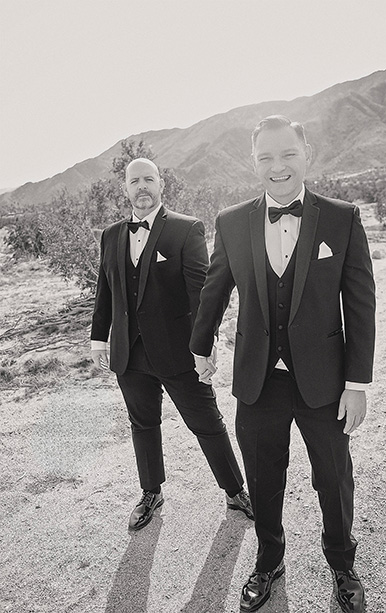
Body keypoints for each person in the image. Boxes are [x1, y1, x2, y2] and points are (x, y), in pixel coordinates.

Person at [189, 115, 375, 613]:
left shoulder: (343, 218)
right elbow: (214, 290)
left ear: (306, 153)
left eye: (287, 154)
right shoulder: (231, 221)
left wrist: (357, 383)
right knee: (263, 478)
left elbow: (360, 305)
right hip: (257, 377)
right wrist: (200, 348)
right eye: (266, 157)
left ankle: (342, 563)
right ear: (253, 163)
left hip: (325, 382)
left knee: (333, 478)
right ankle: (269, 560)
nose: (278, 167)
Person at [90, 158, 253, 531]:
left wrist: (205, 347)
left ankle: (234, 490)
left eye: (149, 179)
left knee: (207, 423)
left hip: (179, 353)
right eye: (135, 181)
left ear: (161, 185)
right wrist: (100, 339)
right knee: (142, 423)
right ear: (125, 188)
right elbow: (106, 291)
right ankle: (151, 492)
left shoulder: (185, 229)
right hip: (129, 354)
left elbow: (201, 293)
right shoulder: (112, 234)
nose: (142, 187)